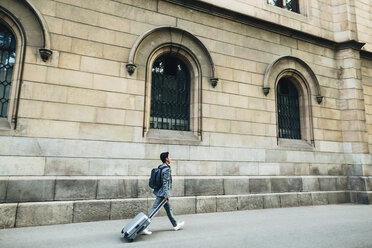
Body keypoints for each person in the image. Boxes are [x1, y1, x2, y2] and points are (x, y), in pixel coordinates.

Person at [142, 152, 184, 235]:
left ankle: (175, 225)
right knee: (154, 210)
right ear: (166, 159)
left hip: (161, 193)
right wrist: (165, 194)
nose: (170, 158)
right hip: (163, 194)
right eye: (169, 157)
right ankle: (143, 226)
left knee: (169, 210)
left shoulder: (161, 167)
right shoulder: (166, 169)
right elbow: (165, 183)